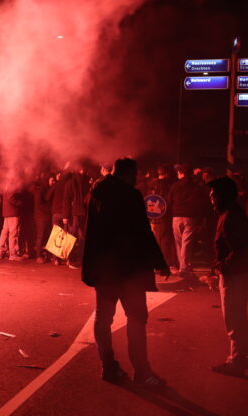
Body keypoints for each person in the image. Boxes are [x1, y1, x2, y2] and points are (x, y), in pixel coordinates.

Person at [82, 157, 170, 387]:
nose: (136, 178)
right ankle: (142, 371)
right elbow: (143, 232)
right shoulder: (131, 196)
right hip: (129, 268)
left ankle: (108, 366)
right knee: (137, 318)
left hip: (104, 268)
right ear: (128, 174)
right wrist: (159, 261)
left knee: (103, 318)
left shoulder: (96, 193)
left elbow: (90, 230)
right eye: (135, 174)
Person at [207, 177, 248, 376]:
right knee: (239, 316)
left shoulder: (231, 215)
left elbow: (239, 247)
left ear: (223, 196)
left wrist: (222, 267)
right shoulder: (231, 213)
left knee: (233, 318)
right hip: (238, 271)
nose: (211, 199)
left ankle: (236, 361)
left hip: (234, 274)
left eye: (213, 195)